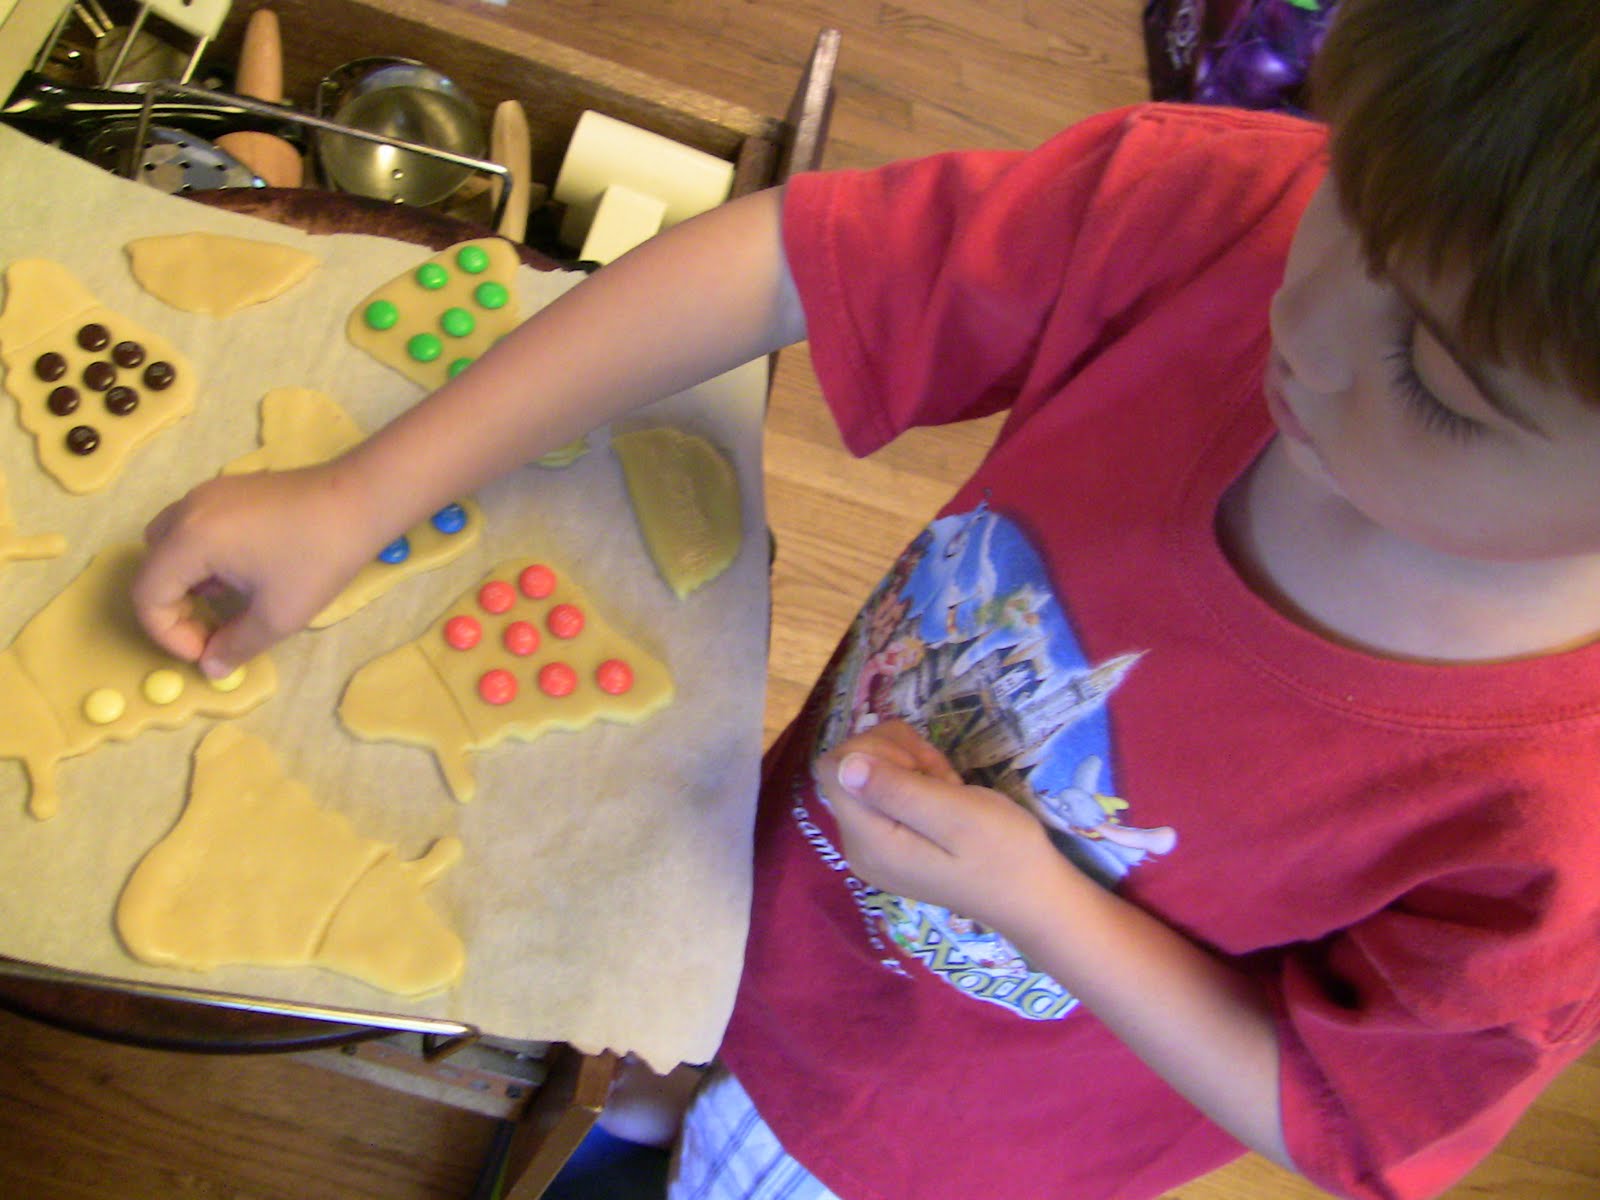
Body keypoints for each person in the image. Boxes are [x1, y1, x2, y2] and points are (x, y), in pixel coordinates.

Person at [133, 0, 1600, 1196]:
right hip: (752, 895)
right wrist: (363, 492)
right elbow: (786, 260)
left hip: (913, 1140)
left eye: (1436, 381)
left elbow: (1348, 1122)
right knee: (646, 1079)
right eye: (1345, 198)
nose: (1306, 322)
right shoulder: (1227, 212)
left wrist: (1035, 903)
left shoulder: (1561, 814)